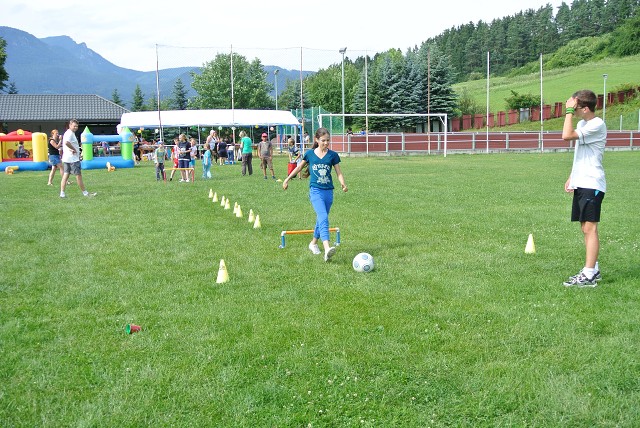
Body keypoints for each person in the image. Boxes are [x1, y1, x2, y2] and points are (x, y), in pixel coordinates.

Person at [561, 89, 606, 287]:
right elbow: (581, 153)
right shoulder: (582, 124)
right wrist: (572, 176)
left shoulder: (597, 124)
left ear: (585, 108)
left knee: (590, 227)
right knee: (584, 228)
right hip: (582, 181)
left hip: (592, 182)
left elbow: (566, 135)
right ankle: (593, 269)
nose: (573, 110)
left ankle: (588, 274)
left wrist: (568, 112)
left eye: (576, 107)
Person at [282, 127, 347, 262]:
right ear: (316, 140)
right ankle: (327, 248)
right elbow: (299, 167)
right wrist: (287, 179)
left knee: (321, 219)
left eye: (328, 140)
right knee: (323, 217)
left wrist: (343, 184)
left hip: (328, 191)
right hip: (315, 191)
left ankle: (313, 243)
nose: (326, 143)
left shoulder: (333, 155)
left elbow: (338, 172)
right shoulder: (310, 154)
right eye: (323, 140)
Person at [60, 119, 96, 198]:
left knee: (66, 175)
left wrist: (71, 149)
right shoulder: (70, 133)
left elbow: (66, 143)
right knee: (78, 176)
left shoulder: (67, 133)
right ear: (70, 125)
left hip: (67, 158)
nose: (76, 127)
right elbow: (66, 143)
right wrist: (74, 149)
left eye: (77, 126)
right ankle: (85, 193)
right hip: (72, 159)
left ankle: (62, 193)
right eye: (74, 126)